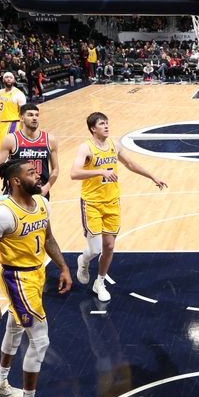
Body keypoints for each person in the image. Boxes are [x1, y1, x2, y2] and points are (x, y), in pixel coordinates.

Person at [0, 158, 72, 397]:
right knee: (40, 341)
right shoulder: (2, 214)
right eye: (31, 172)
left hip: (38, 274)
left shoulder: (42, 202)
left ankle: (1, 383)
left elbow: (48, 237)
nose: (38, 174)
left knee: (15, 329)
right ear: (16, 181)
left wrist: (63, 266)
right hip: (17, 279)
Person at [70, 112, 167, 301]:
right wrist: (100, 172)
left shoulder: (114, 145)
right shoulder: (86, 148)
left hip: (112, 201)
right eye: (101, 124)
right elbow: (74, 173)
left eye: (107, 123)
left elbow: (130, 163)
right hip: (92, 202)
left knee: (109, 246)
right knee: (96, 249)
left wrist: (152, 176)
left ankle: (100, 282)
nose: (106, 126)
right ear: (92, 128)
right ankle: (83, 259)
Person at [0, 103, 59, 198]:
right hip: (17, 192)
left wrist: (47, 187)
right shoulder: (11, 139)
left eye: (36, 115)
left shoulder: (50, 140)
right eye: (30, 115)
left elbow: (55, 169)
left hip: (40, 190)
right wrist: (9, 172)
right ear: (21, 118)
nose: (34, 118)